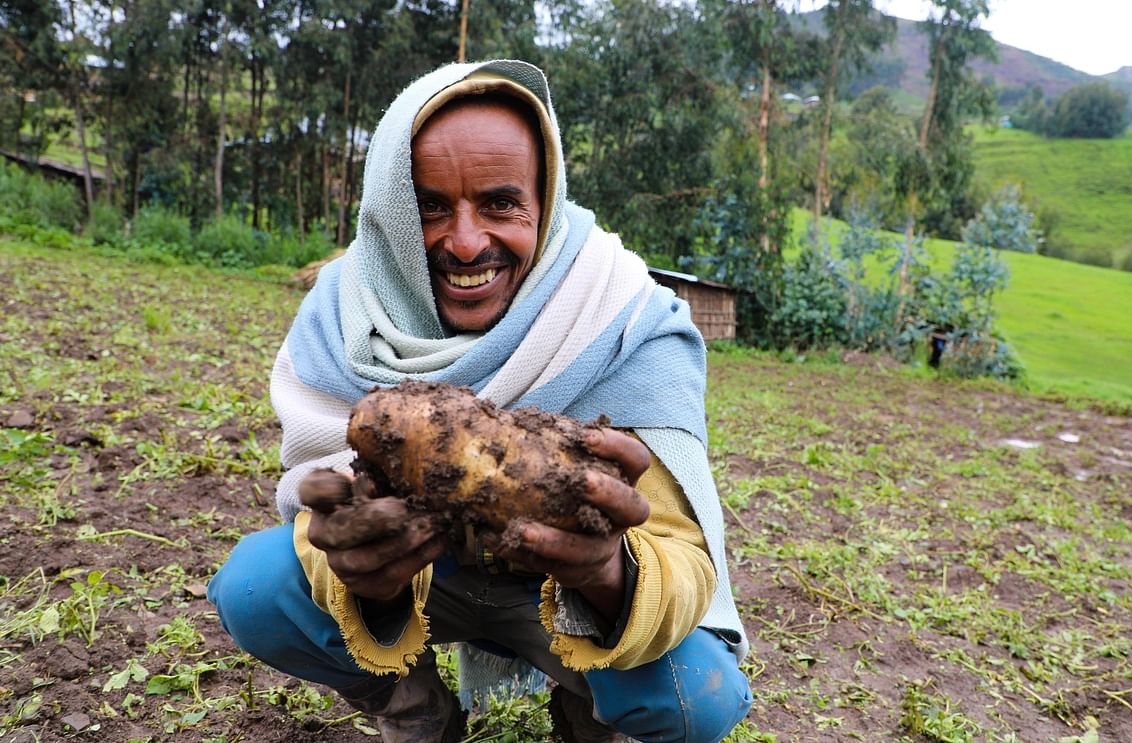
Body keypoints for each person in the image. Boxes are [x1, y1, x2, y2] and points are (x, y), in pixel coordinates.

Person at [208, 59, 751, 743]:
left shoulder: (624, 317)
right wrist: (359, 573)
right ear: (391, 206)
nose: (466, 243)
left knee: (695, 693)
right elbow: (325, 520)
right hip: (423, 583)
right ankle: (415, 711)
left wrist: (609, 573)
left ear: (545, 200)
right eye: (429, 205)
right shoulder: (346, 317)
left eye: (500, 203)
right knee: (256, 588)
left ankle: (589, 715)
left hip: (561, 599)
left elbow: (685, 559)